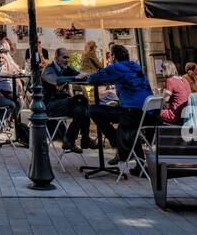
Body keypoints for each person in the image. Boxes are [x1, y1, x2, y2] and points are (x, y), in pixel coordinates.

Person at [83, 44, 155, 174]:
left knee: (93, 110)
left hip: (132, 114)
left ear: (114, 57)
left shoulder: (117, 67)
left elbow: (93, 79)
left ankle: (117, 143)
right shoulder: (135, 66)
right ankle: (140, 166)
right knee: (129, 127)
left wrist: (94, 74)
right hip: (148, 115)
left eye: (110, 56)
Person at [41, 47, 92, 153]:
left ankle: (70, 140)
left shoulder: (66, 68)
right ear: (56, 58)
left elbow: (79, 75)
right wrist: (74, 78)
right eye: (64, 57)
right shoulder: (48, 70)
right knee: (80, 99)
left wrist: (90, 75)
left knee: (81, 109)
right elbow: (56, 80)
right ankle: (82, 138)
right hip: (49, 106)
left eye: (68, 57)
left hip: (62, 104)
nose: (67, 60)